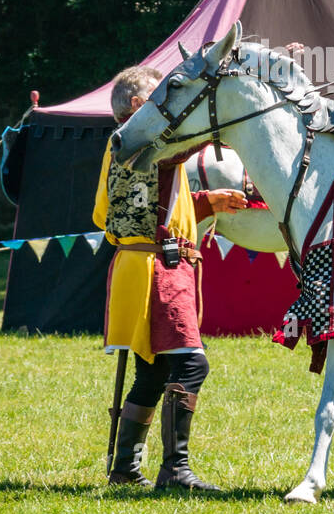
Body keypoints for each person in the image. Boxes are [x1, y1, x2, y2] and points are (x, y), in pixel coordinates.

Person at [97, 65, 248, 491]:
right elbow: (184, 145)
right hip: (157, 268)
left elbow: (153, 204)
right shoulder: (144, 140)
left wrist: (205, 202)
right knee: (190, 364)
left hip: (153, 264)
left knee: (153, 372)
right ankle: (175, 470)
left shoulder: (131, 147)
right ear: (136, 105)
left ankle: (125, 468)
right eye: (159, 96)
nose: (169, 105)